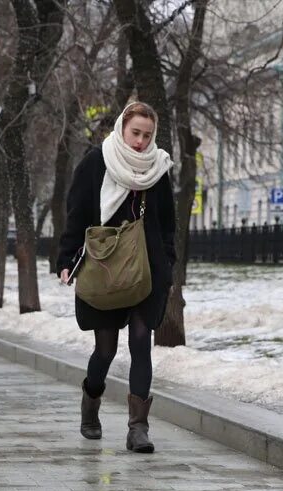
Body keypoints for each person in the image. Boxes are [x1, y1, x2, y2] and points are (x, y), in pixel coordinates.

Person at [57, 101, 176, 454]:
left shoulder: (158, 168)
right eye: (135, 133)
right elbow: (77, 213)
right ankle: (90, 403)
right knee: (105, 349)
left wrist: (167, 263)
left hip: (146, 270)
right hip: (105, 266)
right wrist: (66, 258)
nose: (141, 141)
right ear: (122, 128)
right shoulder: (97, 161)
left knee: (141, 342)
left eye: (147, 135)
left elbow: (168, 222)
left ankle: (138, 429)